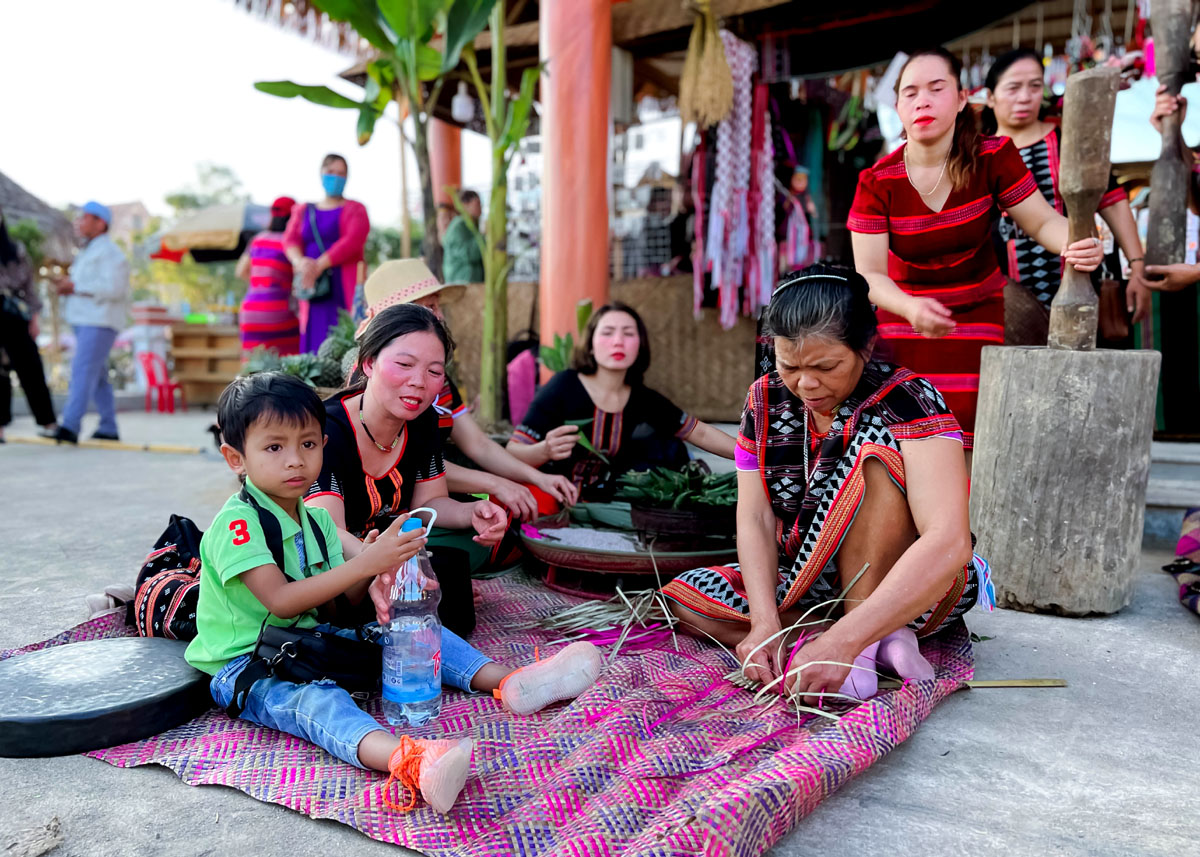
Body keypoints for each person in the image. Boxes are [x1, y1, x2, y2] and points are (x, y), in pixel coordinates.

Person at [186, 372, 602, 812]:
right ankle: (411, 760)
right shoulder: (238, 525)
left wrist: (376, 573)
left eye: (308, 444)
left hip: (303, 642)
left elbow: (340, 604)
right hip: (245, 663)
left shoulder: (317, 521)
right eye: (274, 447)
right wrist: (366, 563)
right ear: (236, 458)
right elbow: (282, 601)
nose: (295, 461)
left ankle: (514, 682)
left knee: (410, 631)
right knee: (319, 703)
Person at [664, 266, 984, 704]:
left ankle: (859, 644)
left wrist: (844, 642)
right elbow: (755, 517)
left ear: (866, 347)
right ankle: (884, 637)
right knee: (685, 601)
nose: (806, 384)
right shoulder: (763, 398)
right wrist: (763, 625)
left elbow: (948, 541)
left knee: (872, 456)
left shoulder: (909, 399)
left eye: (826, 366)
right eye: (789, 366)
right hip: (806, 581)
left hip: (911, 581)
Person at [848, 48, 1103, 451]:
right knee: (907, 436)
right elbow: (870, 276)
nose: (923, 101)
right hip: (905, 317)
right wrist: (912, 309)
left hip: (977, 313)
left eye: (937, 88)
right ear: (898, 106)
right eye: (910, 93)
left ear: (963, 97)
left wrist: (1077, 242)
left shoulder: (994, 156)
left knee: (978, 434)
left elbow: (1040, 221)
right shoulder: (876, 181)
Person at [304, 304, 508, 635]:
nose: (418, 382)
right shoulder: (326, 430)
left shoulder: (425, 422)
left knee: (457, 564)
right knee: (425, 601)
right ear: (369, 363)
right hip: (335, 559)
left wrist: (474, 511)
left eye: (434, 371)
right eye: (404, 364)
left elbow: (431, 504)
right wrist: (384, 562)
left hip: (386, 549)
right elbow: (328, 531)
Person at [358, 260, 579, 521]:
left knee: (530, 506)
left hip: (432, 499)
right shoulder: (372, 382)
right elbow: (408, 463)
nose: (438, 316)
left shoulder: (438, 378)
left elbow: (478, 444)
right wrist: (495, 483)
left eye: (438, 306)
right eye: (429, 306)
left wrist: (539, 478)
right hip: (390, 511)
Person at [983, 48, 1152, 325]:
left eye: (1035, 86)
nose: (1025, 96)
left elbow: (1113, 201)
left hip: (1083, 286)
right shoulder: (978, 155)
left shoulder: (1070, 141)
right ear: (990, 97)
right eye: (1013, 88)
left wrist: (1137, 268)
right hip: (1006, 305)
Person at [507, 302, 737, 501]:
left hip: (608, 504)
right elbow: (513, 451)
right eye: (607, 333)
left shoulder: (642, 398)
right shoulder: (564, 386)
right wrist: (544, 451)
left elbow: (700, 433)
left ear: (640, 344)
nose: (618, 341)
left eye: (628, 333)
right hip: (552, 500)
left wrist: (756, 454)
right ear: (590, 344)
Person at [52, 201, 130, 445]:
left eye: (84, 218)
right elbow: (86, 287)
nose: (78, 222)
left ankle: (70, 426)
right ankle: (108, 426)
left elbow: (114, 289)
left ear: (100, 222)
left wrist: (75, 286)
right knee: (97, 376)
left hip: (99, 321)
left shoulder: (111, 253)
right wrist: (70, 288)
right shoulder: (87, 252)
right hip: (85, 320)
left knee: (82, 371)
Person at [283, 154, 369, 353]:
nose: (336, 177)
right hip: (312, 288)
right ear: (321, 173)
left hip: (342, 286)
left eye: (341, 173)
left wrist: (318, 266)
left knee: (345, 341)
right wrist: (301, 262)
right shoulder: (303, 210)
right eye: (331, 172)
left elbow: (353, 241)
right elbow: (290, 240)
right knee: (313, 339)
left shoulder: (355, 209)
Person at [0, 209, 58, 442]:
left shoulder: (16, 250)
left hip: (14, 313)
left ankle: (48, 422)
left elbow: (30, 289)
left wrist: (34, 318)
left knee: (31, 367)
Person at [235, 196, 300, 356]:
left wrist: (260, 284)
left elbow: (240, 271)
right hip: (279, 312)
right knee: (285, 368)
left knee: (252, 367)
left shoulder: (256, 240)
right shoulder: (291, 244)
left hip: (250, 312)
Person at [441, 190, 484, 285]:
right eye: (477, 203)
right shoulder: (458, 226)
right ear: (464, 205)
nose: (481, 207)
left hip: (470, 282)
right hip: (461, 282)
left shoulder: (472, 225)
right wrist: (483, 235)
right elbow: (469, 254)